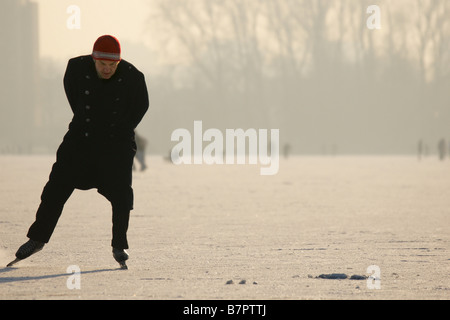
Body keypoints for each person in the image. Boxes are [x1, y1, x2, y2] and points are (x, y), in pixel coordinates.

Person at [8, 35, 149, 269]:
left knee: (122, 195)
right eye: (102, 64)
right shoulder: (76, 69)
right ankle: (38, 238)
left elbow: (141, 106)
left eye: (112, 66)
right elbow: (73, 95)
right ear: (94, 59)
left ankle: (119, 245)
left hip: (115, 144)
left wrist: (121, 129)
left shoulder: (134, 78)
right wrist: (85, 122)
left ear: (119, 63)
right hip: (80, 140)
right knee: (55, 188)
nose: (107, 69)